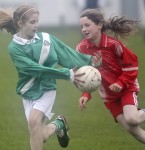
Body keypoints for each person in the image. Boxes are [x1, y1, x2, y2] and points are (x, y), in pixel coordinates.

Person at [0, 5, 102, 150]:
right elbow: (35, 69)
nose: (36, 26)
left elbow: (66, 54)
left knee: (34, 121)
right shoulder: (14, 48)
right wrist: (66, 74)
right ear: (20, 24)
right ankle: (59, 124)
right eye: (32, 22)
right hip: (28, 91)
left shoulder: (46, 39)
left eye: (37, 21)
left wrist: (90, 62)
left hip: (46, 88)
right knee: (41, 136)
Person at [76, 8, 145, 148]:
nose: (84, 29)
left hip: (127, 87)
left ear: (99, 25)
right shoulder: (81, 49)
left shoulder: (112, 45)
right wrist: (85, 94)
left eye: (87, 25)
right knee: (131, 129)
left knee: (132, 119)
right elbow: (85, 74)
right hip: (109, 96)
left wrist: (121, 83)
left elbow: (132, 64)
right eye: (81, 26)